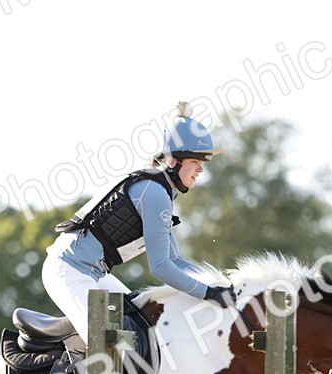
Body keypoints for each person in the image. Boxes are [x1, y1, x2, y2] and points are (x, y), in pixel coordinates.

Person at [42, 102, 238, 347]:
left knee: (144, 328)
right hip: (69, 272)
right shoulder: (155, 193)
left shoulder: (161, 190)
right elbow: (161, 267)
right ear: (174, 162)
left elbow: (175, 260)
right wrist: (208, 293)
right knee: (115, 345)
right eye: (196, 161)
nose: (200, 169)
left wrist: (217, 283)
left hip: (94, 274)